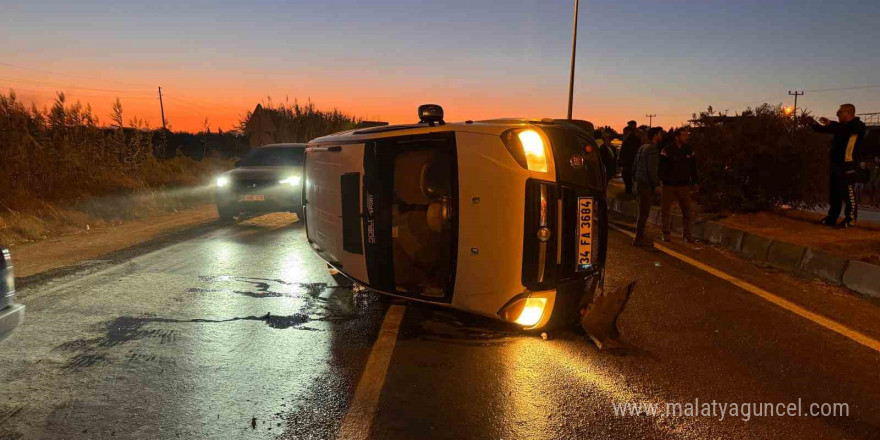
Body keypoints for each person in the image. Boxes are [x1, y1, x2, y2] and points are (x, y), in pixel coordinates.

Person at [810, 103, 867, 228]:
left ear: (848, 113)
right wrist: (812, 124)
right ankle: (832, 217)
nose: (837, 114)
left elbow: (845, 129)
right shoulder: (840, 127)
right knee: (834, 194)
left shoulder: (858, 126)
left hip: (848, 166)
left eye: (840, 112)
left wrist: (831, 124)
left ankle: (850, 220)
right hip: (836, 165)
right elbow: (827, 129)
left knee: (848, 194)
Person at [659, 128, 698, 242]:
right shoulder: (667, 150)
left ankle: (687, 234)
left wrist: (695, 181)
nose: (686, 137)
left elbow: (693, 167)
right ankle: (665, 234)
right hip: (669, 185)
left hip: (684, 185)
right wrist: (662, 180)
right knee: (665, 210)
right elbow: (661, 168)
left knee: (687, 211)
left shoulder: (689, 150)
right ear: (677, 137)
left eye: (687, 135)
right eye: (684, 135)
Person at [631, 127, 663, 247]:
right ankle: (638, 238)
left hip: (639, 183)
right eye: (660, 134)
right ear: (655, 135)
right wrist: (656, 185)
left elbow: (634, 167)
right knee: (644, 212)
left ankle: (639, 237)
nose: (662, 136)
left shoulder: (642, 147)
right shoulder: (653, 149)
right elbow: (652, 169)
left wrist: (634, 180)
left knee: (641, 211)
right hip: (646, 185)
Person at [619, 120, 641, 194]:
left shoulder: (633, 139)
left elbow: (631, 152)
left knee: (628, 177)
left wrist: (625, 160)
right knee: (626, 177)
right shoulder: (627, 138)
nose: (623, 133)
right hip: (627, 162)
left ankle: (629, 192)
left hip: (629, 162)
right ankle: (628, 191)